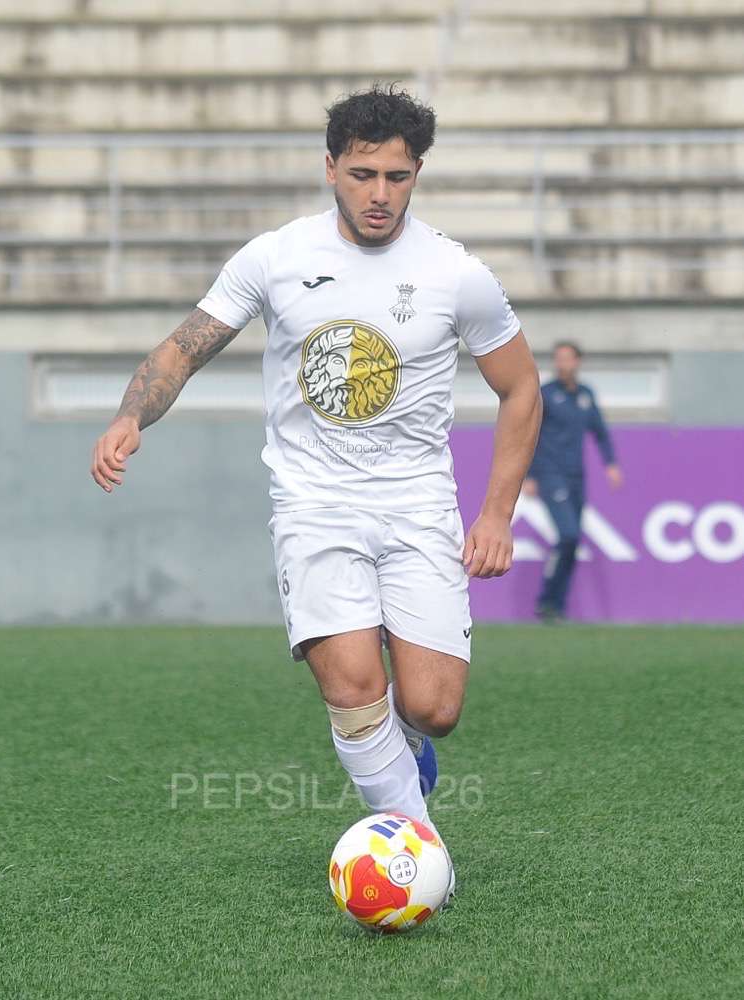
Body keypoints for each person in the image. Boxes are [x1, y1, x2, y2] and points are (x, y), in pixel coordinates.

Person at [90, 85, 541, 863]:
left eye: (396, 176)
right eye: (362, 174)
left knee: (433, 709)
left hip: (416, 503)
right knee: (354, 689)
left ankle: (406, 748)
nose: (379, 194)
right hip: (314, 504)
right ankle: (418, 855)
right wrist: (132, 414)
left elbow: (522, 388)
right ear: (330, 168)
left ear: (417, 174)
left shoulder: (455, 272)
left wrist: (496, 513)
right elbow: (183, 349)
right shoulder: (276, 258)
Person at [523, 341, 623, 622]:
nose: (562, 364)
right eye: (558, 359)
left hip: (576, 477)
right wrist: (530, 474)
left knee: (573, 541)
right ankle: (546, 600)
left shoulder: (585, 395)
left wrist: (611, 464)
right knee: (567, 535)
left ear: (578, 362)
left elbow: (600, 432)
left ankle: (556, 607)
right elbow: (529, 434)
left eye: (567, 359)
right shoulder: (546, 394)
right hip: (551, 475)